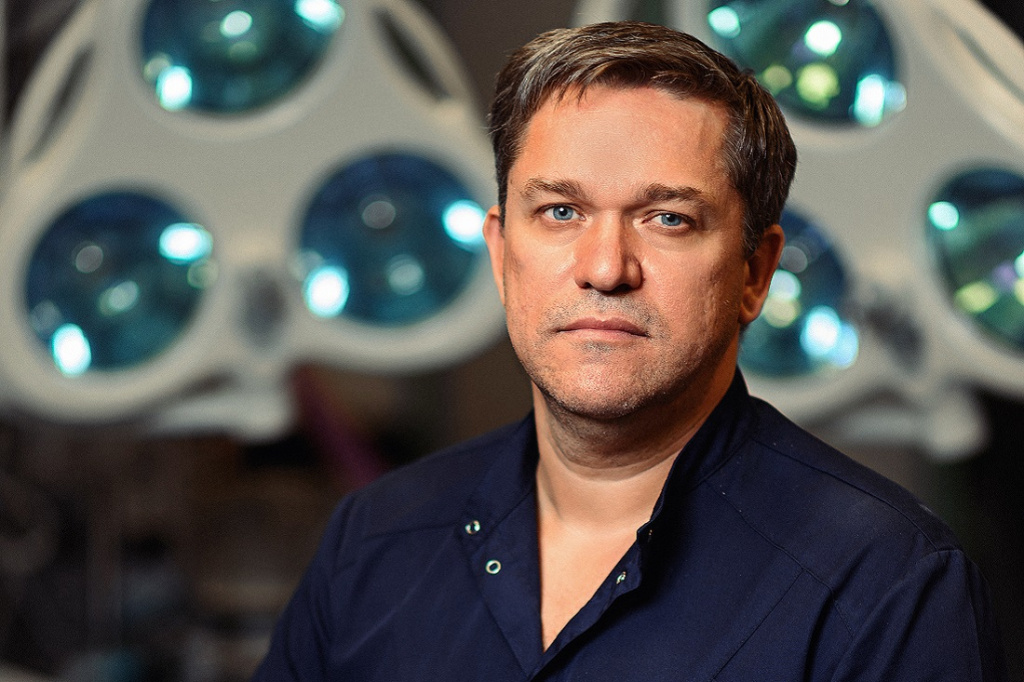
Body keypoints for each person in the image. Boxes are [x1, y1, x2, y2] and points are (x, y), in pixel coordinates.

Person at [253, 21, 1007, 680]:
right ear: (501, 253)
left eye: (668, 218)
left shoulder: (886, 585)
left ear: (755, 272)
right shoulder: (375, 541)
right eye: (560, 211)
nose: (605, 267)